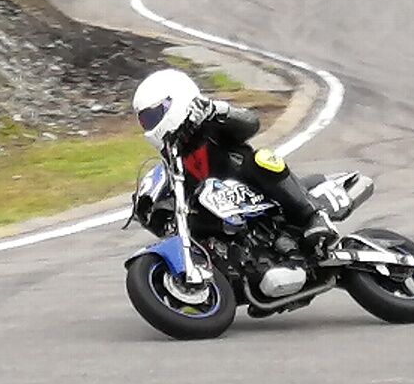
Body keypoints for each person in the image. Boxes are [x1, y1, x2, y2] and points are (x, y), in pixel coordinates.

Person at [132, 69, 337, 249]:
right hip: (223, 219)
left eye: (153, 117)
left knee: (263, 158)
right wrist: (147, 208)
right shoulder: (172, 158)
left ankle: (314, 216)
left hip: (252, 189)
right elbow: (171, 205)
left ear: (175, 101)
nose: (150, 126)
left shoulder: (209, 122)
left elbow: (251, 124)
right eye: (145, 121)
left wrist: (218, 111)